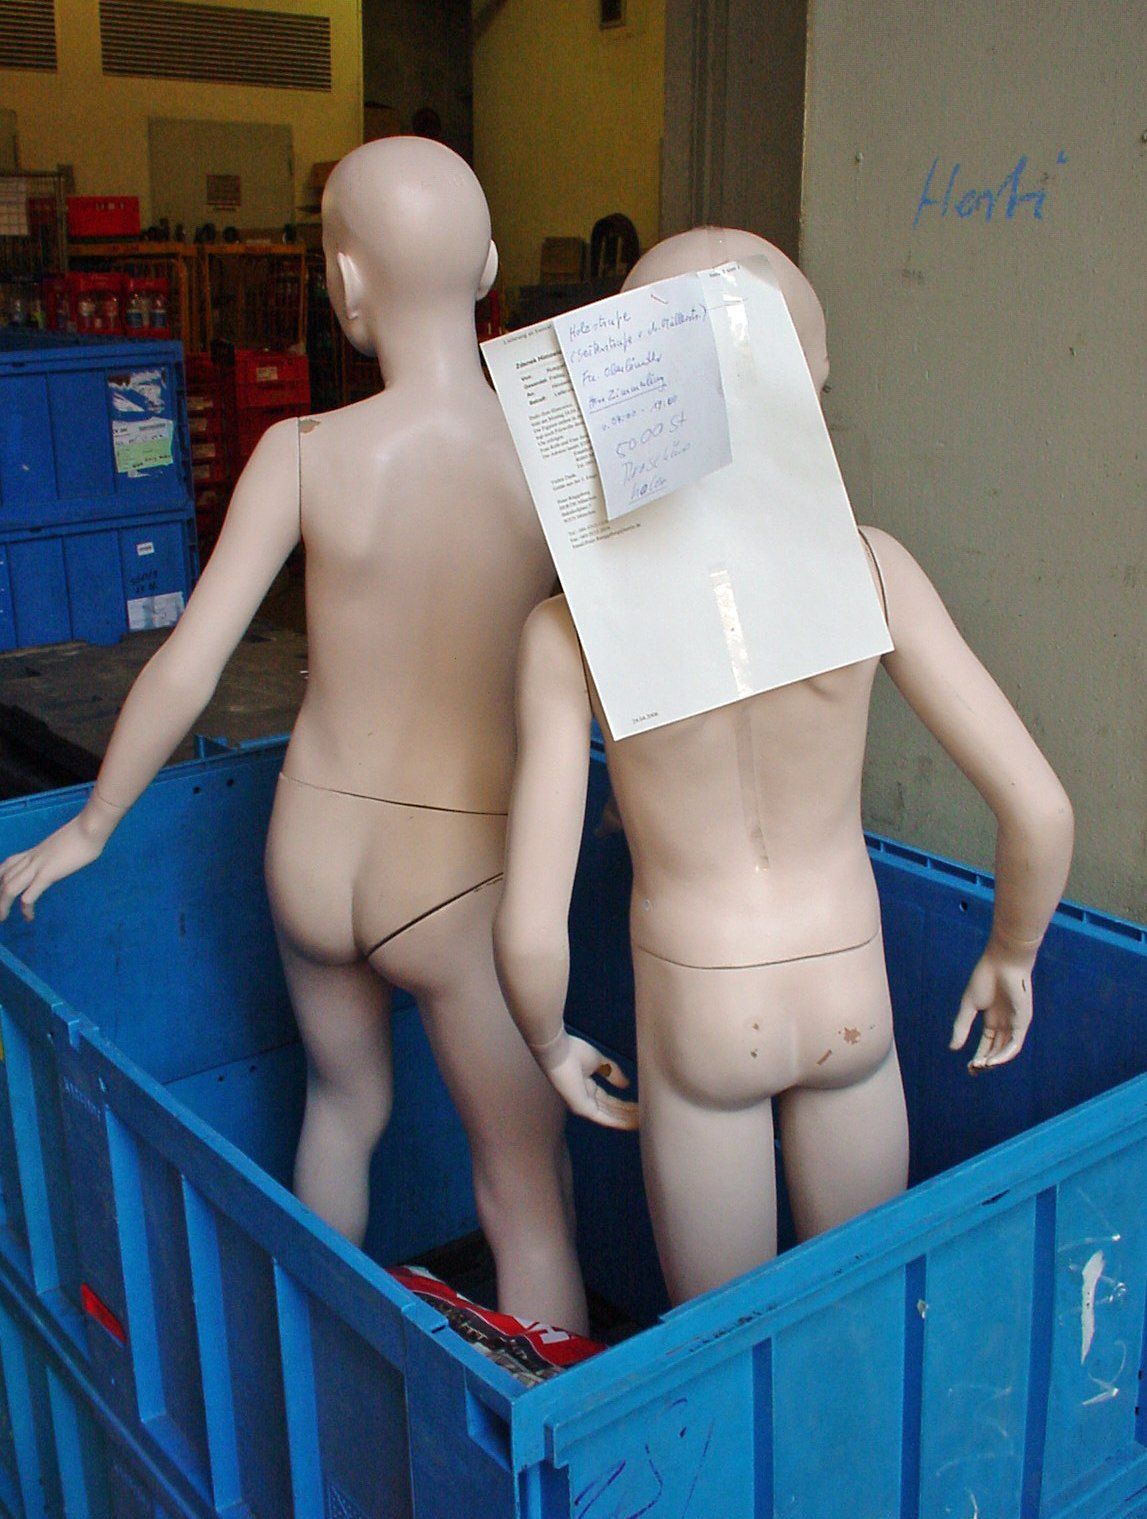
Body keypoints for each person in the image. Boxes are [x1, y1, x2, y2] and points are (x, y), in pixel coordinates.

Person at [0, 139, 588, 1333]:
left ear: (344, 282)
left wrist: (95, 824)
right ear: (487, 265)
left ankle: (319, 1367)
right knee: (526, 1192)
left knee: (340, 1108)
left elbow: (191, 659)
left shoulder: (301, 452)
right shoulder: (555, 461)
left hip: (313, 851)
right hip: (455, 867)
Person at [493, 228, 1074, 1305]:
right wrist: (1011, 951)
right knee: (856, 1319)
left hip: (702, 998)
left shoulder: (569, 630)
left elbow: (530, 926)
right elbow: (1038, 808)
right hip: (845, 979)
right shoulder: (873, 568)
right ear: (811, 378)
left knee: (726, 1343)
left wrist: (547, 1037)